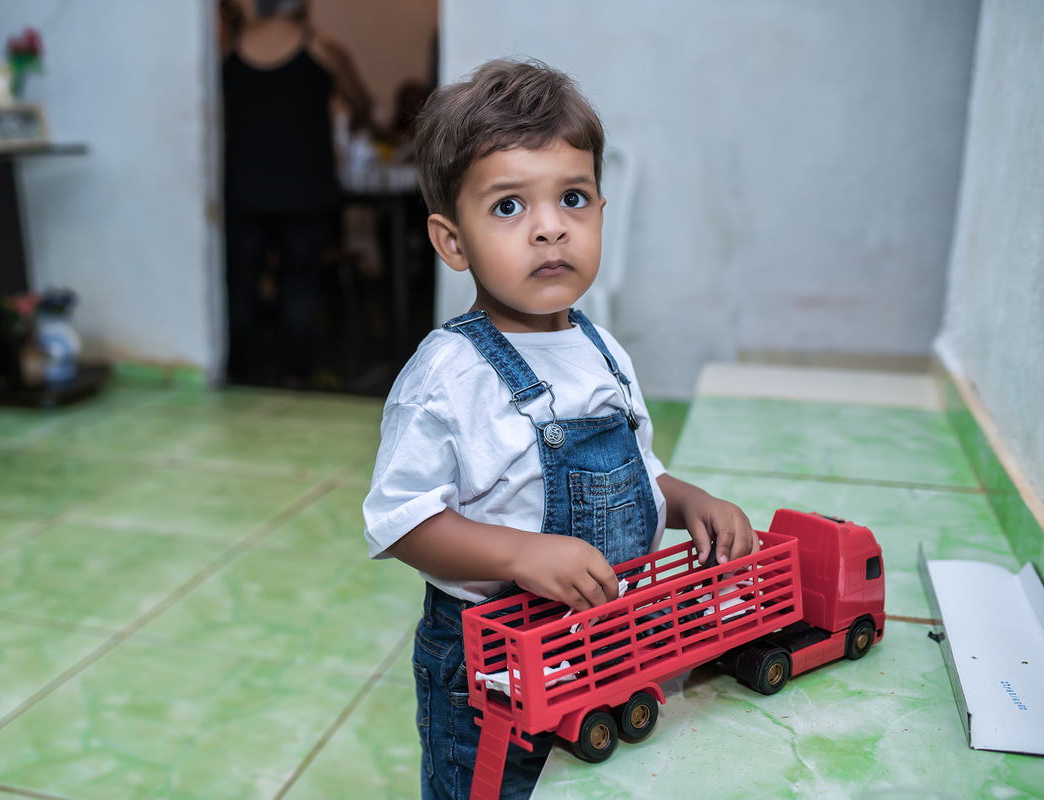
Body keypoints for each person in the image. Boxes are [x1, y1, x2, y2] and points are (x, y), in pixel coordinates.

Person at [362, 60, 759, 800]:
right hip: (493, 666)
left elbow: (637, 469)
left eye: (572, 199)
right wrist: (518, 553)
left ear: (601, 212)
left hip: (609, 643)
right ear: (453, 242)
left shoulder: (603, 351)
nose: (550, 227)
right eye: (509, 206)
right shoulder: (449, 373)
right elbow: (400, 519)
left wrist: (689, 501)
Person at [221, 0, 370, 387]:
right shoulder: (323, 47)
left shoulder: (227, 48)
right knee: (300, 286)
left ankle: (236, 373)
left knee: (239, 285)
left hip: (243, 187)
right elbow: (361, 103)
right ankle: (294, 378)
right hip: (306, 187)